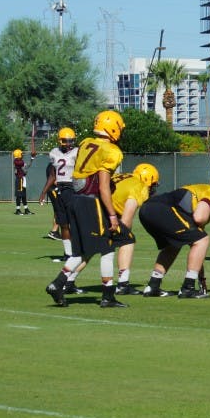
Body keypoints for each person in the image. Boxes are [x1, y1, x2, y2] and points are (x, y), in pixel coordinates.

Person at [45, 110, 132, 308]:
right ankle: (108, 295)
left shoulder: (85, 143)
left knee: (82, 250)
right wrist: (112, 215)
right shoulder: (111, 151)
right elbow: (102, 186)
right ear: (113, 128)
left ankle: (57, 284)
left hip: (75, 199)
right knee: (107, 247)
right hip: (91, 201)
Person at [138, 179, 210, 298]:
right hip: (162, 209)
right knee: (203, 240)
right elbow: (199, 218)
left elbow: (196, 241)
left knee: (174, 244)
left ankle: (153, 286)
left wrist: (201, 278)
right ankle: (188, 288)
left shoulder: (201, 189)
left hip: (147, 210)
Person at [112, 163, 160, 295]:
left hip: (90, 207)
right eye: (153, 183)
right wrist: (122, 234)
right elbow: (127, 217)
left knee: (88, 248)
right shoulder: (140, 186)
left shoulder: (121, 176)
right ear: (147, 179)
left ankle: (66, 281)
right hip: (105, 215)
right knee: (127, 240)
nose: (152, 187)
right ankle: (122, 284)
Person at [39, 128, 78, 255]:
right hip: (60, 189)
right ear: (60, 141)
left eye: (71, 141)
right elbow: (52, 175)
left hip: (72, 188)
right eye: (66, 141)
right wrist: (44, 192)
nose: (69, 144)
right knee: (63, 223)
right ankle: (68, 254)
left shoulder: (78, 152)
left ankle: (78, 251)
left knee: (75, 222)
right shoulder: (54, 152)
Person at [12, 148, 35, 215]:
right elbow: (23, 165)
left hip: (22, 179)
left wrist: (32, 158)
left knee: (23, 195)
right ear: (18, 155)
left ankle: (26, 209)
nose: (22, 155)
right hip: (19, 179)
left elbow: (27, 166)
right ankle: (17, 209)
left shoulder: (20, 161)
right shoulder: (16, 161)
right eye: (21, 154)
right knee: (19, 195)